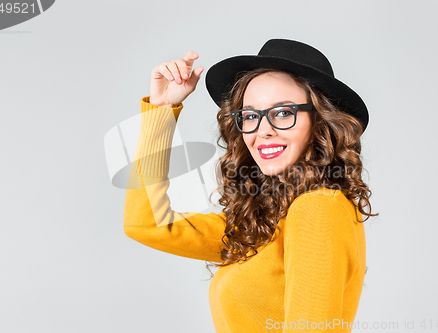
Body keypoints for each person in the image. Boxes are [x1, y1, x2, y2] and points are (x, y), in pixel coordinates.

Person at [123, 39, 376, 333]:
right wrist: (162, 111)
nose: (263, 130)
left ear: (320, 120)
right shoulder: (264, 222)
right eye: (251, 115)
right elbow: (146, 224)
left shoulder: (318, 208)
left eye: (283, 112)